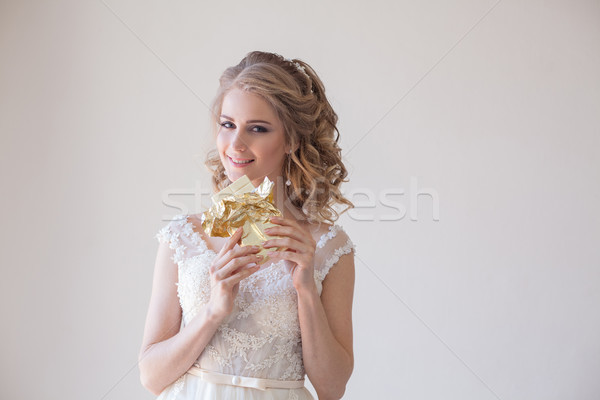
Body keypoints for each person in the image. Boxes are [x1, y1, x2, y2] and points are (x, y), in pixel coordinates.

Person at [139, 51, 357, 400]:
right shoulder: (183, 236)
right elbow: (151, 377)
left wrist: (305, 289)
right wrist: (213, 311)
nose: (235, 144)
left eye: (257, 128)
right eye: (228, 124)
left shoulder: (328, 246)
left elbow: (332, 389)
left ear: (291, 140)